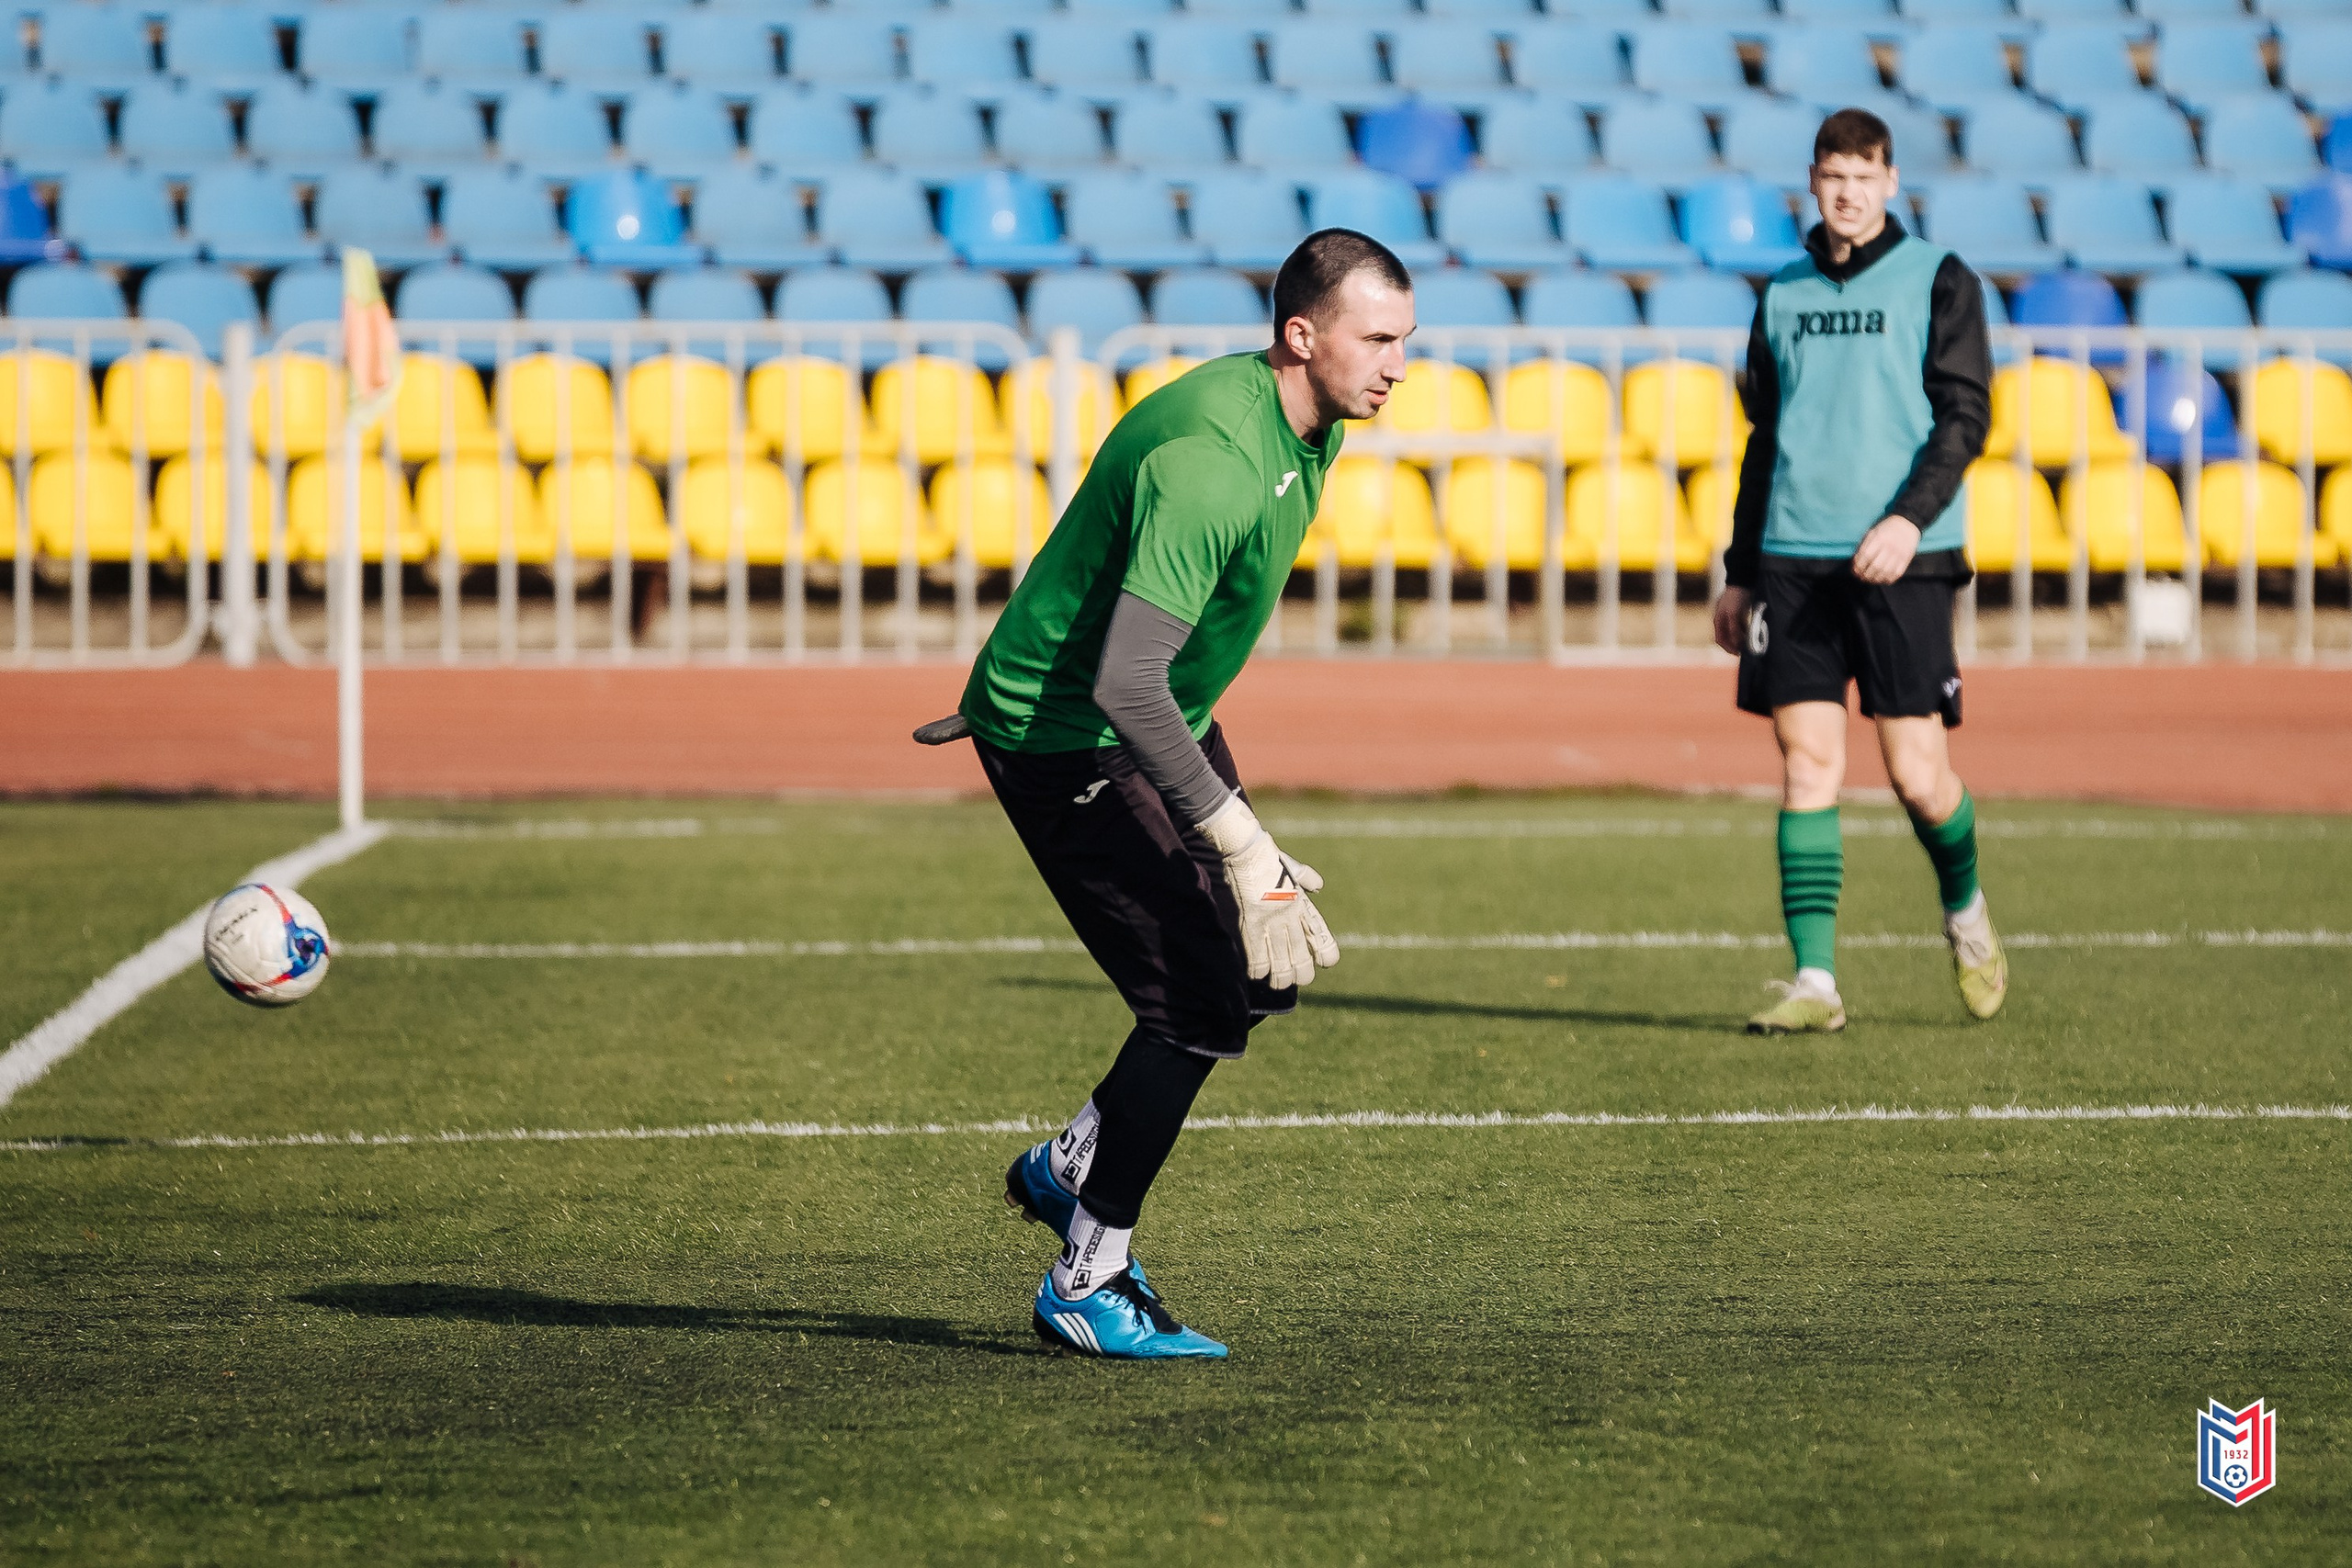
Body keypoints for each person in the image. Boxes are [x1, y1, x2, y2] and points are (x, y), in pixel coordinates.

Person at [917, 230, 1414, 1358]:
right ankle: (1088, 1279)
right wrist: (1239, 840)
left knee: (1254, 970)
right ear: (1301, 336)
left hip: (1149, 725)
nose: (1395, 365)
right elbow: (1124, 682)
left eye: (1405, 342)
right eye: (1375, 339)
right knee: (1195, 999)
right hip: (1071, 739)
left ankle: (1072, 1165)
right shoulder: (1217, 458)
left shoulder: (1309, 418)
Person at [1712, 107, 2008, 1036]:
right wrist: (1740, 568)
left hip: (1903, 562)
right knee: (1807, 764)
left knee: (1918, 775)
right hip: (1793, 559)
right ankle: (1815, 983)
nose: (1847, 193)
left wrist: (1904, 520)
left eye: (1863, 177)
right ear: (1814, 181)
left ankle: (1964, 912)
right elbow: (1766, 439)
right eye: (1832, 176)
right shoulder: (1783, 292)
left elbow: (1964, 418)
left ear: (1888, 183)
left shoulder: (1940, 281)